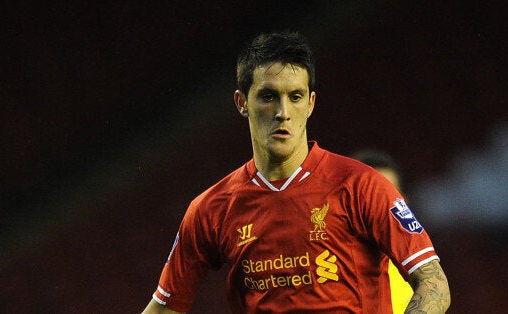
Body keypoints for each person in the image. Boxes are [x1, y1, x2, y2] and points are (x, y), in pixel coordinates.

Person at [142, 32, 450, 313]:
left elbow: (434, 283)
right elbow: (164, 308)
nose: (283, 112)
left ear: (311, 103)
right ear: (241, 103)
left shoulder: (362, 186)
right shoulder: (211, 209)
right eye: (268, 96)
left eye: (295, 96)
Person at [350, 149, 414, 314]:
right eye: (367, 197)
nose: (379, 206)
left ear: (404, 204)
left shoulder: (420, 274)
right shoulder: (322, 264)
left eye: (388, 197)